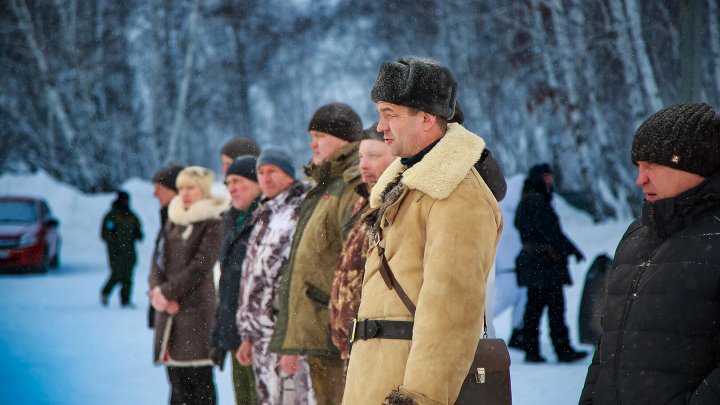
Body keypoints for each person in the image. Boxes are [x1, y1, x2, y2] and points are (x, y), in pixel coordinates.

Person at [342, 56, 502, 405]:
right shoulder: (407, 188)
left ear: (427, 119)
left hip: (405, 390)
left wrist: (419, 397)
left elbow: (452, 314)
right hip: (378, 378)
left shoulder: (456, 196)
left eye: (390, 113)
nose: (380, 126)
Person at [580, 103, 720, 405]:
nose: (640, 179)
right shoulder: (636, 235)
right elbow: (607, 346)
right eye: (638, 166)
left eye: (652, 166)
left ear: (692, 164)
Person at [269, 102, 363, 405]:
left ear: (345, 138)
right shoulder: (326, 186)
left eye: (319, 135)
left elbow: (358, 264)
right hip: (320, 334)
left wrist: (336, 312)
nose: (312, 143)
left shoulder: (351, 186)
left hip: (336, 335)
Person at [236, 148, 314, 405]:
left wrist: (292, 346)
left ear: (289, 177)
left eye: (273, 171)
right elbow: (253, 282)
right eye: (261, 172)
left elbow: (298, 285)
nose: (266, 178)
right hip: (260, 343)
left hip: (284, 343)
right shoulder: (265, 216)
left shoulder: (298, 215)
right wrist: (248, 335)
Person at [149, 166, 227, 405]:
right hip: (169, 314)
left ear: (203, 190)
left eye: (190, 187)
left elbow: (201, 266)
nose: (184, 193)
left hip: (196, 314)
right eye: (181, 187)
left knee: (198, 384)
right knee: (176, 384)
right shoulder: (173, 219)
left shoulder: (213, 222)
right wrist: (157, 291)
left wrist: (167, 293)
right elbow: (157, 261)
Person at [329, 123, 396, 362]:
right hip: (354, 343)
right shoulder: (363, 204)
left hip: (379, 345)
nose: (363, 165)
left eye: (374, 156)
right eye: (360, 157)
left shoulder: (395, 205)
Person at [514, 163, 586, 363]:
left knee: (536, 307)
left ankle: (533, 350)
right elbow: (551, 232)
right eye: (547, 176)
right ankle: (561, 349)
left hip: (537, 263)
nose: (550, 180)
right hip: (542, 263)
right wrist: (571, 249)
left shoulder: (529, 199)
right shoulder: (536, 200)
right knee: (553, 306)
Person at [209, 156, 262, 405]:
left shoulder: (267, 220)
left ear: (257, 182)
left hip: (260, 339)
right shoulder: (232, 220)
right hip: (235, 335)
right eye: (228, 182)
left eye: (238, 181)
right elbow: (228, 283)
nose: (231, 187)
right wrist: (221, 333)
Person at [147, 164, 185, 329]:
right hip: (163, 302)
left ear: (175, 191)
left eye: (160, 189)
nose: (155, 194)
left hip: (178, 308)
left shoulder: (184, 220)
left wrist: (166, 294)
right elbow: (160, 260)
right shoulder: (167, 217)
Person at [100, 190, 143, 307]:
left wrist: (138, 234)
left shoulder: (131, 216)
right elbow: (105, 234)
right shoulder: (112, 216)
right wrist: (115, 243)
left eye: (126, 200)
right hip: (115, 251)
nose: (125, 202)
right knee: (117, 273)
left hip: (129, 251)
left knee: (128, 276)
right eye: (123, 200)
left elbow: (138, 230)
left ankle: (126, 300)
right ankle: (105, 292)